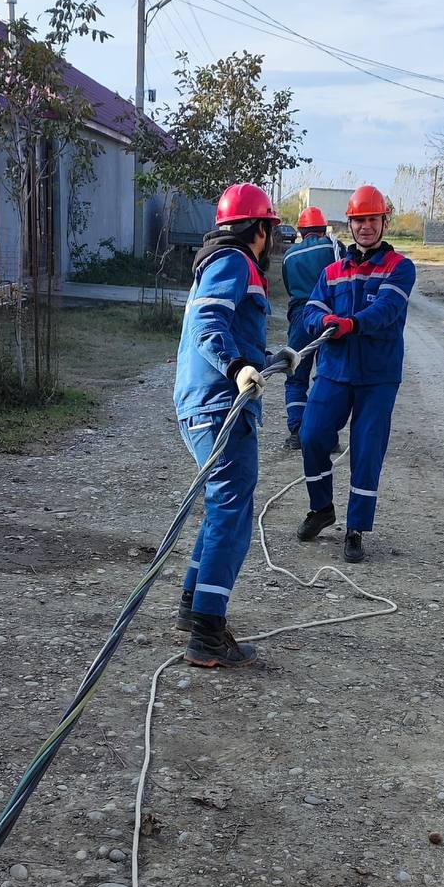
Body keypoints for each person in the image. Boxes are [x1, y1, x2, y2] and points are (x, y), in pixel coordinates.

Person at [173, 182, 299, 668]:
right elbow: (210, 330)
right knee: (232, 511)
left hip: (206, 401)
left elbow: (230, 333)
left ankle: (193, 607)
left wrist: (268, 361)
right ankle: (207, 631)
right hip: (220, 404)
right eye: (270, 229)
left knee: (220, 506)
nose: (272, 241)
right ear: (258, 229)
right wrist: (236, 368)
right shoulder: (233, 262)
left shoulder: (217, 263)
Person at [296, 184, 416, 563]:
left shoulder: (400, 268)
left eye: (372, 219)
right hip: (334, 371)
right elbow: (309, 310)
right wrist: (323, 321)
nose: (365, 226)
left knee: (366, 451)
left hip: (377, 377)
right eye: (359, 220)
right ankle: (322, 509)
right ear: (349, 223)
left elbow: (386, 312)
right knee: (312, 435)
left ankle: (355, 528)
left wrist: (351, 324)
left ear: (384, 221)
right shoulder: (331, 271)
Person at [280, 205, 340, 449]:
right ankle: (326, 435)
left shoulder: (289, 256)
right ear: (322, 229)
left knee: (295, 376)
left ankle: (297, 433)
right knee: (327, 377)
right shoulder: (333, 248)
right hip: (327, 316)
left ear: (301, 231)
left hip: (300, 317)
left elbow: (288, 288)